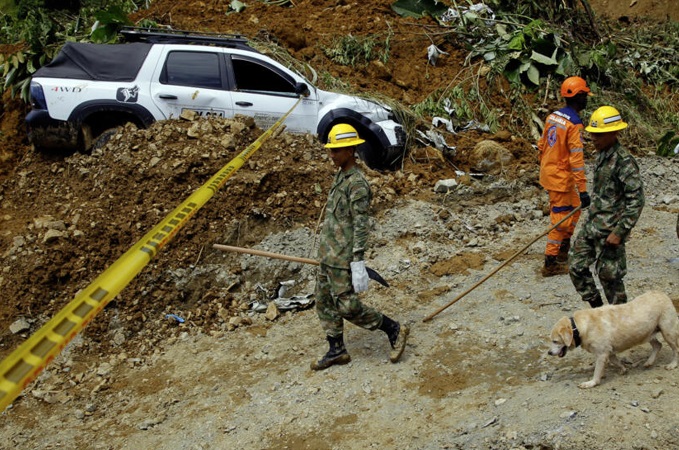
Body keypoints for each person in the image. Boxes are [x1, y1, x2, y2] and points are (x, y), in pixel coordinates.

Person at [311, 123, 409, 370]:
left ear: (350, 150)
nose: (331, 155)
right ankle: (337, 349)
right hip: (328, 255)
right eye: (330, 150)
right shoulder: (340, 176)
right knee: (323, 300)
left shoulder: (357, 183)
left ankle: (393, 329)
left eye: (336, 151)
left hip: (343, 257)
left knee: (346, 306)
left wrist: (357, 260)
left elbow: (361, 224)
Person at [569, 106, 645, 307]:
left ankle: (621, 325)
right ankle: (599, 310)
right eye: (593, 134)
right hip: (593, 226)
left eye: (599, 135)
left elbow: (636, 200)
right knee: (576, 266)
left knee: (610, 279)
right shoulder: (601, 154)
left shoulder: (624, 161)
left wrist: (620, 232)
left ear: (614, 133)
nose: (594, 139)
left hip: (611, 232)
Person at [537, 76, 592, 277]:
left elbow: (542, 145)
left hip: (552, 174)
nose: (587, 100)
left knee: (575, 210)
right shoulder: (574, 125)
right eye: (585, 96)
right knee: (560, 219)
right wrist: (584, 189)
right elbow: (576, 161)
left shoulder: (552, 117)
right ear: (578, 97)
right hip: (560, 178)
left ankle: (562, 251)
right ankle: (550, 263)